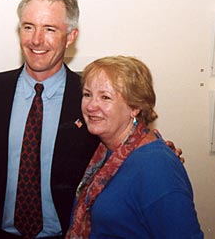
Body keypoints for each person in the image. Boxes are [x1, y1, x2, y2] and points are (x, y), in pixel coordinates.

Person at [0, 0, 100, 238]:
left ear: (71, 36)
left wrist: (153, 148)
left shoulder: (90, 97)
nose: (36, 40)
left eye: (49, 29)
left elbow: (121, 146)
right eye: (28, 27)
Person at [66, 56, 203, 238]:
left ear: (135, 106)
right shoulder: (104, 151)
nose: (91, 106)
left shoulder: (157, 166)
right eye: (87, 94)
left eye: (105, 97)